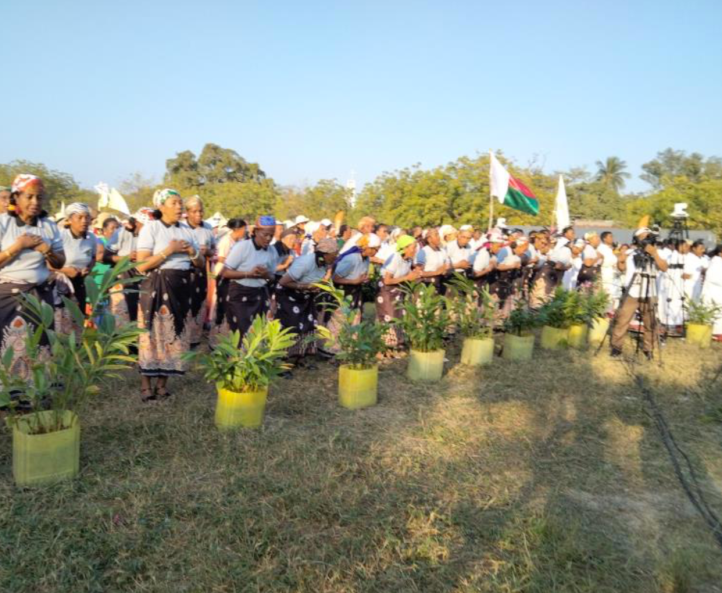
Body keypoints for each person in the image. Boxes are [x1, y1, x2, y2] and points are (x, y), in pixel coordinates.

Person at [135, 189, 204, 402]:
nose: (179, 206)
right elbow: (141, 265)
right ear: (161, 206)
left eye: (180, 203)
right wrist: (169, 250)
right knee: (152, 333)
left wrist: (192, 252)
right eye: (174, 203)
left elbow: (200, 263)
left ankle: (162, 384)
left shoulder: (187, 230)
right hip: (157, 285)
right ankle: (146, 386)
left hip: (181, 285)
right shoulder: (152, 228)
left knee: (174, 333)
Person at [0, 174, 65, 380]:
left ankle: (37, 392)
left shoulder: (48, 226)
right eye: (29, 197)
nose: (35, 202)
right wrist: (18, 246)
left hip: (40, 294)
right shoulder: (3, 223)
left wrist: (46, 250)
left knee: (40, 345)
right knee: (10, 346)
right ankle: (10, 392)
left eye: (39, 197)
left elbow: (60, 263)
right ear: (16, 197)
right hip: (9, 296)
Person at [277, 238, 339, 365]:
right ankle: (283, 361)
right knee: (291, 327)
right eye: (334, 255)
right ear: (325, 254)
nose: (336, 257)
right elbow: (283, 282)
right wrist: (305, 287)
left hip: (306, 296)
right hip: (290, 296)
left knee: (307, 326)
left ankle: (299, 357)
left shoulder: (325, 264)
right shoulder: (305, 263)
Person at [610, 227, 668, 358]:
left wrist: (654, 254)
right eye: (643, 237)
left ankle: (648, 348)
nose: (646, 239)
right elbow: (621, 268)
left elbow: (664, 268)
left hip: (650, 292)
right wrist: (620, 260)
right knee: (622, 320)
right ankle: (616, 347)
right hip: (631, 292)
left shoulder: (657, 252)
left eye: (648, 236)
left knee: (650, 323)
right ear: (636, 240)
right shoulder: (630, 252)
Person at [219, 216, 277, 338]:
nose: (268, 238)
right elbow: (225, 272)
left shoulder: (272, 251)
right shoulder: (242, 247)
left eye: (271, 235)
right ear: (256, 231)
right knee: (240, 332)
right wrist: (248, 274)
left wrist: (266, 274)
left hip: (260, 295)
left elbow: (273, 277)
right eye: (265, 235)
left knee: (258, 333)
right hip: (240, 295)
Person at [53, 202, 97, 333]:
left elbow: (93, 258)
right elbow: (47, 262)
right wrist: (66, 270)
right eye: (80, 217)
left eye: (87, 217)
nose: (84, 221)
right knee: (61, 321)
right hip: (60, 284)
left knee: (78, 320)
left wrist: (88, 268)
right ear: (70, 219)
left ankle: (77, 344)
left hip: (80, 283)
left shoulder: (91, 237)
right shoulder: (61, 236)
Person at [105, 208, 154, 324]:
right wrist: (127, 257)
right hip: (124, 276)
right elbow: (106, 257)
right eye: (144, 227)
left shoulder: (153, 234)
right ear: (136, 223)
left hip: (146, 277)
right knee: (123, 316)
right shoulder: (121, 233)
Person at [376, 235, 421, 349]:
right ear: (404, 248)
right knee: (389, 316)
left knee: (399, 315)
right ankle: (387, 347)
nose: (415, 250)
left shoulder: (408, 259)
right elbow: (387, 280)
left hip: (397, 289)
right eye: (413, 247)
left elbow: (407, 274)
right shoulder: (395, 258)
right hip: (386, 290)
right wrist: (407, 278)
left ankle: (398, 343)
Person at [184, 195, 216, 348]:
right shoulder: (181, 227)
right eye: (194, 211)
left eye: (201, 211)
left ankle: (195, 339)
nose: (198, 214)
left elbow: (214, 250)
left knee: (199, 303)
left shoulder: (208, 227)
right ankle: (182, 337)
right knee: (185, 304)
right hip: (185, 270)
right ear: (187, 212)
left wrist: (207, 251)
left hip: (201, 271)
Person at [209, 218, 247, 344]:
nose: (245, 231)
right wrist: (236, 262)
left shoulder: (241, 241)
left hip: (233, 275)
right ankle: (217, 336)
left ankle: (229, 334)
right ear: (237, 229)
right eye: (244, 229)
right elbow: (221, 258)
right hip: (223, 274)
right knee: (223, 305)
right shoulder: (226, 241)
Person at [415, 227, 451, 292]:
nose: (439, 237)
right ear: (429, 239)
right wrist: (436, 272)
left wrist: (445, 270)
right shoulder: (424, 252)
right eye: (436, 235)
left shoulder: (442, 251)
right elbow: (418, 272)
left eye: (438, 234)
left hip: (441, 282)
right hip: (428, 284)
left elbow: (447, 265)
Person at [701, 245, 722, 342]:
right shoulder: (716, 263)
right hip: (714, 292)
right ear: (720, 253)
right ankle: (716, 334)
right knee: (716, 312)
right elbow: (715, 279)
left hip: (717, 292)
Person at [597, 231, 619, 311]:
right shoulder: (601, 248)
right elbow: (602, 261)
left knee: (615, 295)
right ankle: (607, 312)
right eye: (610, 237)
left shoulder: (611, 249)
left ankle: (613, 312)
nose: (612, 238)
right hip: (606, 273)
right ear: (604, 239)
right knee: (607, 294)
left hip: (614, 274)